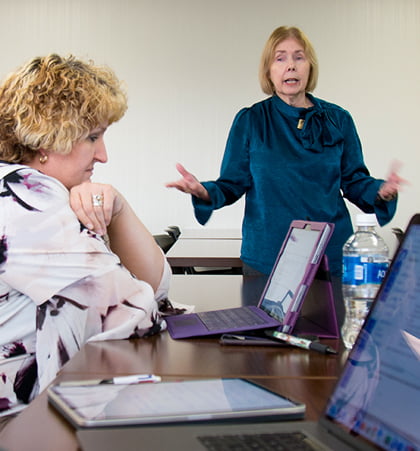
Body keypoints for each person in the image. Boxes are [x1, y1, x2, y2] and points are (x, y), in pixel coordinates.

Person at [166, 26, 405, 317]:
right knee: (265, 350)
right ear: (268, 71)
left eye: (298, 57)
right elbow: (231, 183)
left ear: (309, 67)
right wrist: (203, 191)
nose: (290, 65)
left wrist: (380, 190)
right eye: (280, 58)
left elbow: (355, 180)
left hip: (330, 256)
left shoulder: (338, 119)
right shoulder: (251, 120)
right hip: (269, 257)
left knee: (330, 347)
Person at [0, 54, 171, 424]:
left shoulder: (26, 190)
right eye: (92, 137)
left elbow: (155, 288)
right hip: (21, 422)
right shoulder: (28, 202)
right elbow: (140, 312)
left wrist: (119, 207)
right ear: (46, 138)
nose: (104, 154)